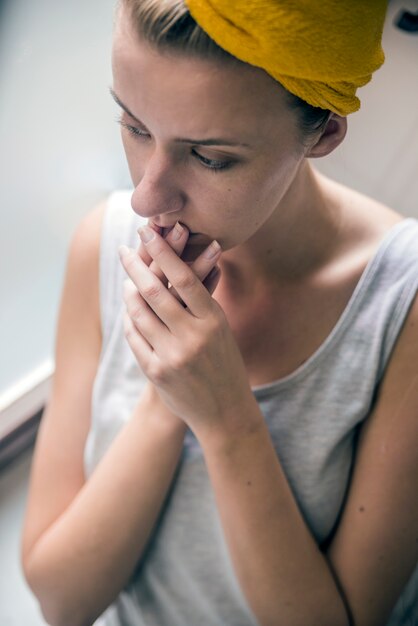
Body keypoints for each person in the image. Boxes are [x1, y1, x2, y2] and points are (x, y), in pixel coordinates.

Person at [21, 1, 418, 625]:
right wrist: (164, 401)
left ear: (324, 133)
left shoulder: (405, 304)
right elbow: (61, 602)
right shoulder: (103, 243)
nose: (146, 196)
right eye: (134, 126)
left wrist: (227, 416)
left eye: (210, 157)